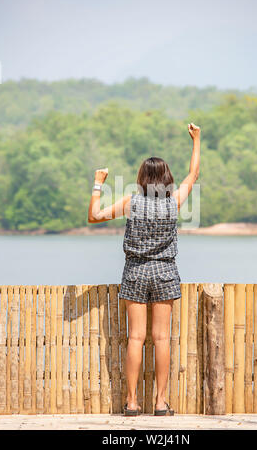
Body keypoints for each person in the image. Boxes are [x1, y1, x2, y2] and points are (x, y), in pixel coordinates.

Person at [88, 123, 201, 416]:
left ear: (141, 178)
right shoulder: (174, 203)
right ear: (167, 179)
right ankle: (161, 403)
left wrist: (98, 182)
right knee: (162, 338)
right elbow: (194, 174)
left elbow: (94, 216)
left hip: (135, 272)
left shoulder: (131, 202)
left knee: (136, 338)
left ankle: (132, 401)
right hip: (164, 272)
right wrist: (196, 140)